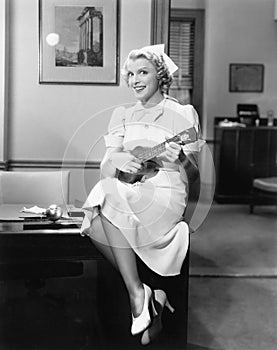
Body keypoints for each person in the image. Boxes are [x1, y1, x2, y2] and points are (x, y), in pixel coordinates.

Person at [81, 44, 204, 345]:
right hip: (130, 188)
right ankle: (143, 291)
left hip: (166, 192)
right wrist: (118, 160)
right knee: (94, 216)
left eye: (143, 72)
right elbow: (107, 167)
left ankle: (142, 295)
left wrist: (182, 159)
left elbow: (195, 178)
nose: (135, 79)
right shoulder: (122, 115)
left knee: (103, 202)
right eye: (131, 74)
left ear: (160, 76)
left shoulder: (182, 113)